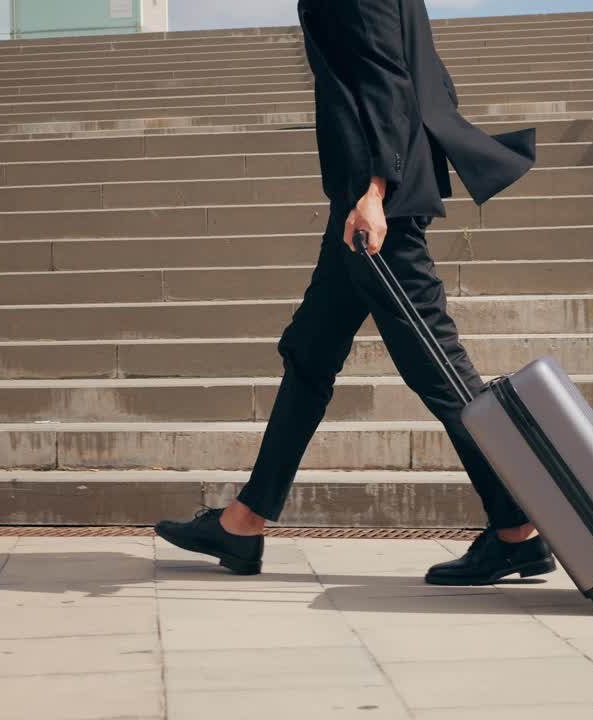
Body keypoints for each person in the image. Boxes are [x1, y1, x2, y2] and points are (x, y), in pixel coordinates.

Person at [155, 0, 552, 586]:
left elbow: (384, 73)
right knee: (309, 354)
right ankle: (244, 522)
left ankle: (516, 530)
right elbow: (431, 76)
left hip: (376, 207)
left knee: (443, 374)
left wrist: (375, 187)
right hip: (368, 198)